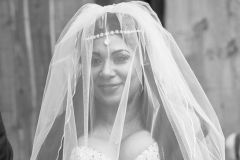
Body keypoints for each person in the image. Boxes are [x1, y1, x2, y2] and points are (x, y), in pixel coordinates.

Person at [30, 1, 225, 160]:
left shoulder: (181, 125)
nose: (106, 71)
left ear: (144, 61)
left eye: (121, 58)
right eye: (95, 60)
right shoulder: (61, 135)